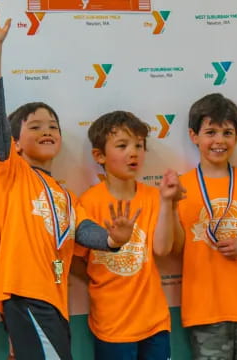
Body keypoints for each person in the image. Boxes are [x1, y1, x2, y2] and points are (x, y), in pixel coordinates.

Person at [0, 7, 138, 360]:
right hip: (25, 293)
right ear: (15, 143)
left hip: (55, 299)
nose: (47, 130)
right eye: (35, 126)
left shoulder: (62, 193)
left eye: (53, 125)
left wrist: (112, 240)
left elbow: (82, 229)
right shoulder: (11, 171)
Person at [73, 110, 183, 360]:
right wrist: (96, 277)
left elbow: (163, 250)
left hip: (154, 322)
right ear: (99, 155)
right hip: (111, 325)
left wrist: (168, 202)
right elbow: (72, 259)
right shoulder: (88, 203)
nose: (133, 152)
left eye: (139, 145)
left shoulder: (152, 197)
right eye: (122, 145)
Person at [176, 93, 237, 359]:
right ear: (194, 136)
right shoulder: (181, 187)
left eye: (227, 132)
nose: (219, 140)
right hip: (205, 308)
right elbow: (174, 247)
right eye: (210, 132)